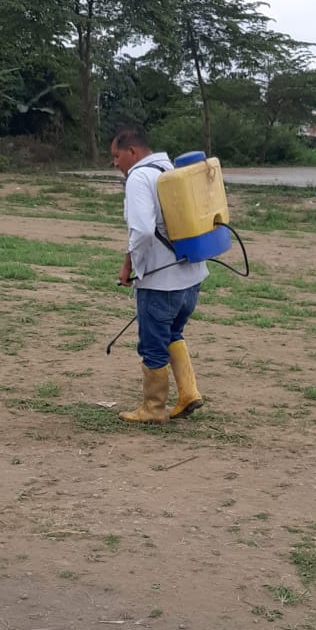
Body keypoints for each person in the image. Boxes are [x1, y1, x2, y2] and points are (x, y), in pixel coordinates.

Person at [110, 124, 207, 424]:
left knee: (152, 344)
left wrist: (134, 266)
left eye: (116, 156)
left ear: (132, 151)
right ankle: (189, 392)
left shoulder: (139, 177)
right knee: (173, 334)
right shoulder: (170, 169)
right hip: (192, 278)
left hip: (160, 282)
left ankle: (153, 408)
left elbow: (141, 231)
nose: (115, 163)